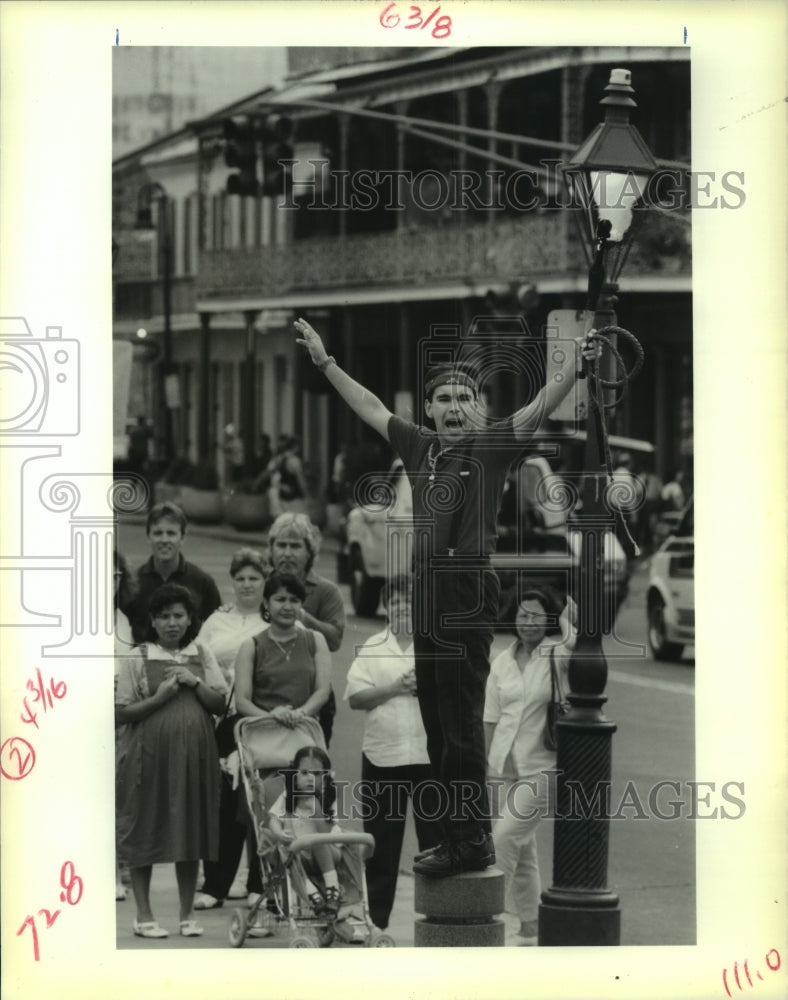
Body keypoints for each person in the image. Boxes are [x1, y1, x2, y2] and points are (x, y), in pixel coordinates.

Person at [294, 316, 597, 877]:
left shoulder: (491, 443)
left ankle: (473, 840)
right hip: (428, 583)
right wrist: (325, 362)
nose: (454, 406)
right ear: (428, 408)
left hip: (464, 584)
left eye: (464, 396)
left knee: (459, 723)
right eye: (443, 397)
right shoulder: (419, 444)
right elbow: (368, 405)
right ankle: (455, 837)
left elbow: (537, 405)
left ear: (478, 406)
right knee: (436, 723)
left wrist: (572, 363)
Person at [115, 583, 228, 939]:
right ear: (152, 620)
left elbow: (220, 705)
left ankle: (185, 914)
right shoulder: (138, 656)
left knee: (189, 830)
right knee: (145, 827)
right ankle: (144, 915)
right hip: (147, 757)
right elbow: (120, 713)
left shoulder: (202, 653)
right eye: (164, 616)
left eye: (178, 615)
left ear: (190, 618)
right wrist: (161, 697)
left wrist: (194, 682)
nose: (172, 623)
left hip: (194, 758)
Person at [344, 575, 442, 931]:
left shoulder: (434, 644)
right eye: (396, 601)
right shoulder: (372, 647)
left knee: (436, 843)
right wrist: (395, 687)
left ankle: (439, 915)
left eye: (409, 601)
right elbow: (356, 698)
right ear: (387, 607)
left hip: (428, 757)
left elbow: (453, 693)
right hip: (383, 755)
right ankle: (377, 921)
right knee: (381, 844)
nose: (402, 607)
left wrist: (425, 689)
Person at [483, 586, 576, 946]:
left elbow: (579, 646)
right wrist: (485, 768)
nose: (529, 622)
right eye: (523, 615)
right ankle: (532, 925)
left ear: (548, 619)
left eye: (537, 615)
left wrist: (568, 622)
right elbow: (490, 719)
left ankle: (486, 915)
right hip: (502, 769)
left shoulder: (555, 654)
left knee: (503, 840)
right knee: (523, 849)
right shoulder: (501, 661)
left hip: (543, 768)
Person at [193, 548, 268, 912]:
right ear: (232, 582)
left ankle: (258, 884)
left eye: (254, 578)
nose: (247, 585)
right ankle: (216, 885)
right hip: (223, 721)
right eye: (240, 579)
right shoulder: (217, 620)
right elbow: (199, 660)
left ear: (265, 583)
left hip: (261, 722)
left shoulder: (276, 621)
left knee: (256, 804)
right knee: (223, 806)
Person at [267, 511, 346, 746]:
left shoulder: (326, 590)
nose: (287, 553)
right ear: (271, 549)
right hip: (264, 693)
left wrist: (302, 616)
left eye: (295, 546)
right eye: (281, 545)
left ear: (310, 552)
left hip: (312, 697)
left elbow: (335, 639)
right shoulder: (260, 584)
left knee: (309, 773)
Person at [233, 571, 331, 728]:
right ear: (266, 603)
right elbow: (242, 701)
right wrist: (271, 717)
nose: (287, 607)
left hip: (303, 727)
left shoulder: (316, 640)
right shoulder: (251, 646)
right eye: (280, 599)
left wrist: (300, 714)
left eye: (294, 600)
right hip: (261, 728)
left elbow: (322, 692)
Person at [122, 501, 222, 644]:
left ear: (182, 538)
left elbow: (218, 630)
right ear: (148, 537)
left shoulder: (203, 582)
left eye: (171, 533)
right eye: (157, 533)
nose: (164, 540)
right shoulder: (133, 583)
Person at [267, 745, 347, 915]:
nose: (310, 778)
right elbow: (273, 820)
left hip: (326, 853)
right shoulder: (288, 797)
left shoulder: (327, 798)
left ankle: (333, 890)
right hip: (299, 855)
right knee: (287, 855)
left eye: (317, 774)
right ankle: (312, 894)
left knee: (317, 840)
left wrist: (316, 805)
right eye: (304, 773)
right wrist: (279, 833)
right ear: (294, 774)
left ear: (325, 777)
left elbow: (326, 832)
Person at [113, 550, 136, 902]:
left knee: (117, 796)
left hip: (117, 715)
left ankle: (117, 867)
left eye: (115, 575)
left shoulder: (122, 619)